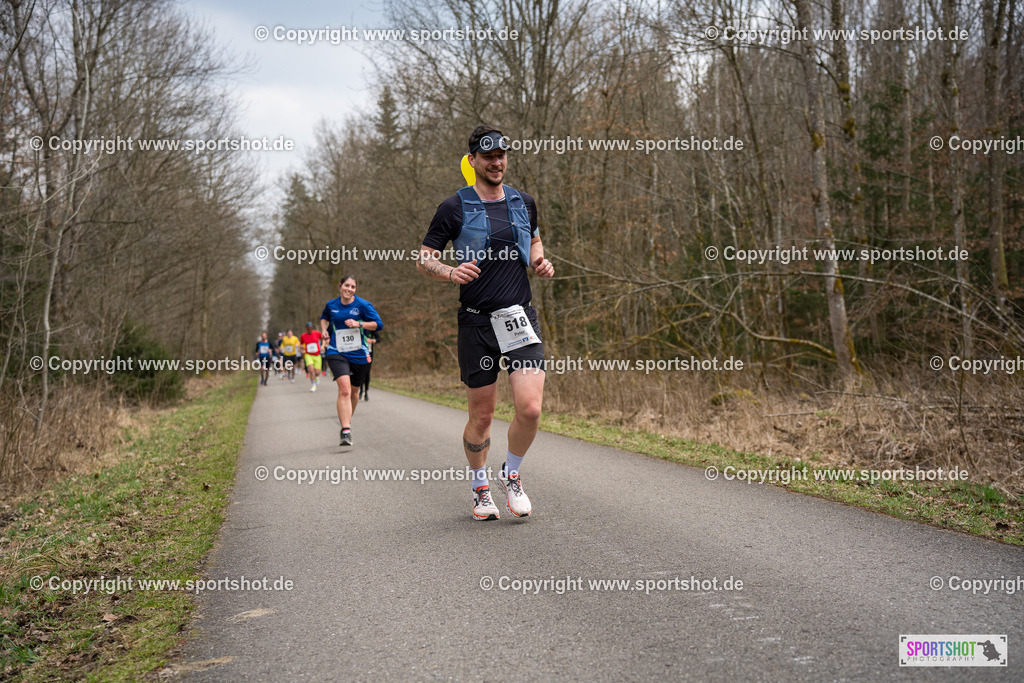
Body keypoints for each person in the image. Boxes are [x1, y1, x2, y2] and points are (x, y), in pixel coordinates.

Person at [417, 125, 554, 520]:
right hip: (477, 323)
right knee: (482, 416)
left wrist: (541, 261)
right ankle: (480, 487)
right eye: (488, 156)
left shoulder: (524, 201)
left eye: (502, 155)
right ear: (473, 160)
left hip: (519, 318)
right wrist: (448, 272)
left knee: (530, 409)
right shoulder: (454, 207)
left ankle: (511, 474)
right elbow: (424, 257)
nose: (497, 162)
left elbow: (534, 241)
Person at [320, 275, 383, 446]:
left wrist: (359, 324)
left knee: (354, 393)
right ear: (340, 285)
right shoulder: (331, 305)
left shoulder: (363, 305)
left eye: (353, 287)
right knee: (345, 390)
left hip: (359, 354)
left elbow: (378, 324)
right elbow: (324, 318)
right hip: (336, 351)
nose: (349, 289)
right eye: (346, 285)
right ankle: (346, 430)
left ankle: (346, 419)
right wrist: (325, 330)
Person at [299, 322, 323, 392]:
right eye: (308, 328)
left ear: (312, 328)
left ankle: (317, 377)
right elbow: (301, 344)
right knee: (311, 370)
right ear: (306, 329)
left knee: (317, 372)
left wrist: (322, 346)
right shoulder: (303, 336)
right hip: (308, 355)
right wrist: (301, 348)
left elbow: (323, 339)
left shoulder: (317, 333)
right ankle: (313, 385)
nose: (309, 329)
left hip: (317, 354)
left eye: (311, 328)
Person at [359, 330, 378, 401]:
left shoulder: (371, 328)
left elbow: (378, 339)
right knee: (360, 372)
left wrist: (372, 341)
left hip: (369, 354)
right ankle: (361, 390)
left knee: (367, 373)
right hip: (360, 353)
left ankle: (366, 392)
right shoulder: (358, 326)